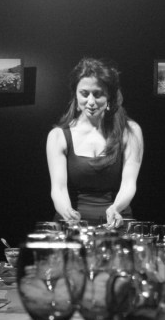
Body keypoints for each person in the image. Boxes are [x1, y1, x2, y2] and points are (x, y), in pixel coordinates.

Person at [46, 57, 144, 228]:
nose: (91, 102)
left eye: (98, 94)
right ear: (75, 95)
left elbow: (129, 183)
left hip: (115, 223)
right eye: (84, 94)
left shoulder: (130, 131)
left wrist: (116, 208)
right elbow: (58, 189)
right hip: (72, 225)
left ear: (109, 96)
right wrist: (67, 212)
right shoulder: (58, 136)